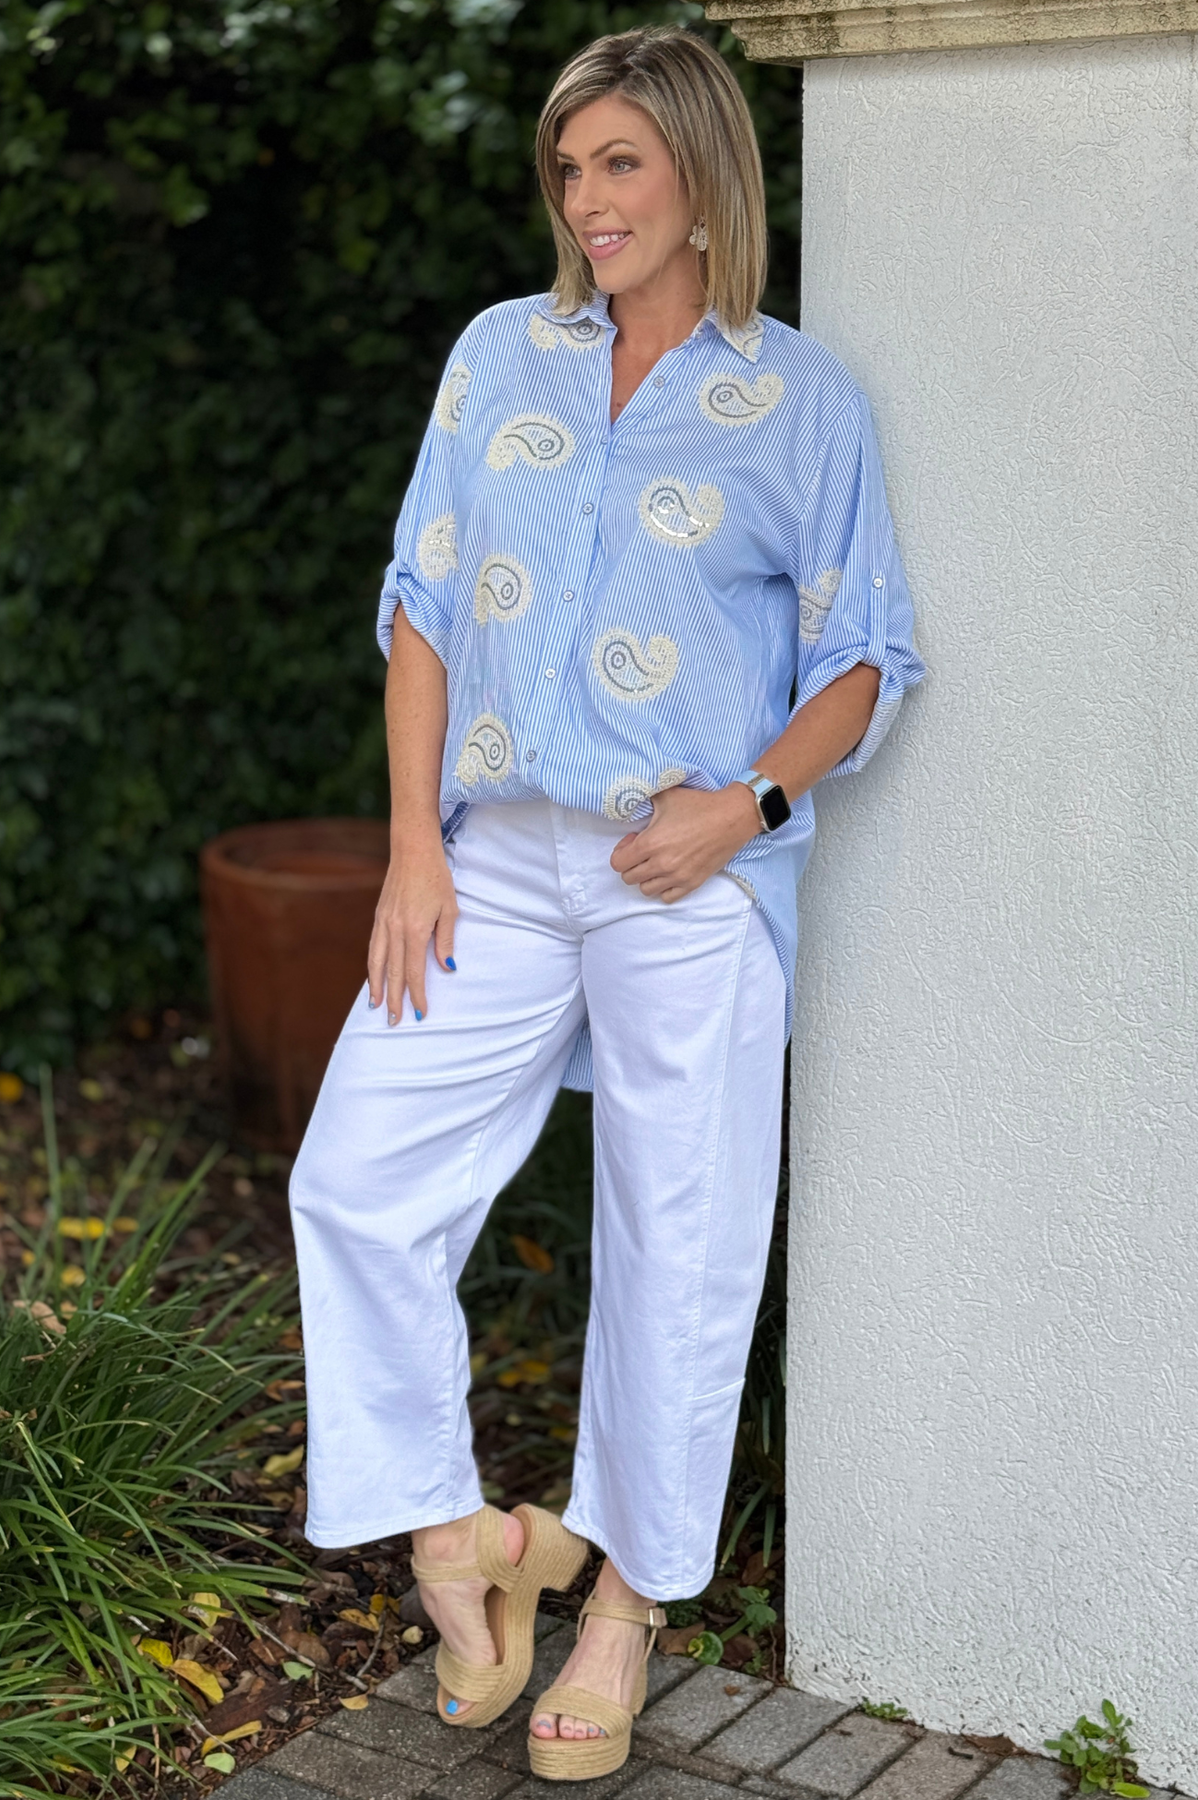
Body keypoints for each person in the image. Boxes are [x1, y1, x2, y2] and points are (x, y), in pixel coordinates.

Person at [289, 22, 924, 1783]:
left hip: (685, 872)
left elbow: (866, 653)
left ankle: (623, 1613)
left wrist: (747, 805)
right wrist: (415, 847)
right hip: (495, 852)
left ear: (705, 175)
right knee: (354, 1175)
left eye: (620, 162)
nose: (586, 199)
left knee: (682, 1238)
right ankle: (454, 1543)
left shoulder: (799, 398)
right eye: (570, 169)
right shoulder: (504, 354)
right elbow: (421, 600)